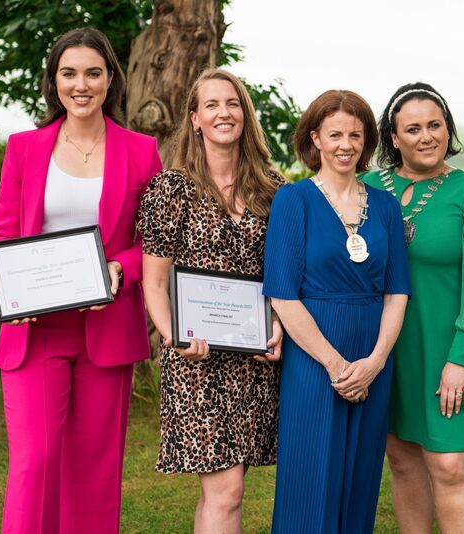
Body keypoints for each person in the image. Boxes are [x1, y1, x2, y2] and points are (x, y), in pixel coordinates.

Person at [0, 28, 162, 533]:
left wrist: (119, 269)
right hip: (35, 329)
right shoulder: (24, 148)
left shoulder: (141, 150)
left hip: (105, 331)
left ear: (111, 80)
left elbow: (152, 239)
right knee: (34, 463)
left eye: (92, 72)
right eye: (68, 73)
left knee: (94, 474)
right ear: (54, 81)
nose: (80, 84)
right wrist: (3, 287)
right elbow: (3, 231)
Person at [137, 68, 283, 534]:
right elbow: (154, 282)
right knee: (226, 490)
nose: (225, 112)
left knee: (224, 490)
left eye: (233, 103)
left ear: (245, 114)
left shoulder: (274, 190)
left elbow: (282, 275)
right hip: (194, 358)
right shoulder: (171, 189)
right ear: (195, 119)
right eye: (213, 105)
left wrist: (277, 326)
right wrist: (173, 335)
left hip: (252, 358)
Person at [361, 82, 464, 533]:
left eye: (435, 125)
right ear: (393, 137)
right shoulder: (365, 186)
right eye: (413, 128)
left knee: (448, 465)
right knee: (402, 461)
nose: (426, 136)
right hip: (381, 349)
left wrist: (461, 357)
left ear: (448, 129)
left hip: (445, 347)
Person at [263, 89, 411, 533]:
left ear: (366, 141)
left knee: (360, 477)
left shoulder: (384, 205)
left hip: (372, 353)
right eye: (335, 134)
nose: (346, 144)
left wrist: (376, 361)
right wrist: (334, 364)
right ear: (316, 139)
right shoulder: (294, 201)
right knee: (310, 478)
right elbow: (283, 295)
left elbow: (397, 291)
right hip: (313, 357)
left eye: (355, 134)